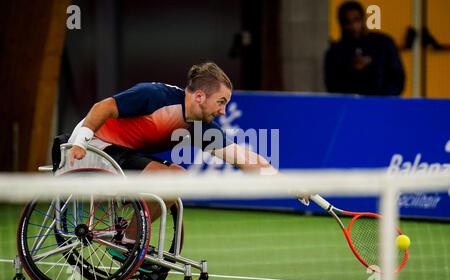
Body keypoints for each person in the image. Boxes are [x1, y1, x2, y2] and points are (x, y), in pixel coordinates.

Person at [68, 62, 300, 225]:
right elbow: (102, 107)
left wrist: (287, 183)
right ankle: (128, 240)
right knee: (171, 177)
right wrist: (80, 142)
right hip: (92, 149)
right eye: (220, 102)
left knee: (178, 175)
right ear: (199, 96)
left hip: (121, 156)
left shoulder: (198, 126)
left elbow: (243, 158)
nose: (223, 111)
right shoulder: (155, 96)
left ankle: (130, 240)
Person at [325, 1, 405, 96]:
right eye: (347, 22)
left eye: (356, 20)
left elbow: (397, 78)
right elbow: (332, 86)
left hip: (382, 104)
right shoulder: (335, 52)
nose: (353, 26)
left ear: (363, 19)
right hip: (350, 106)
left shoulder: (383, 43)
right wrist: (351, 69)